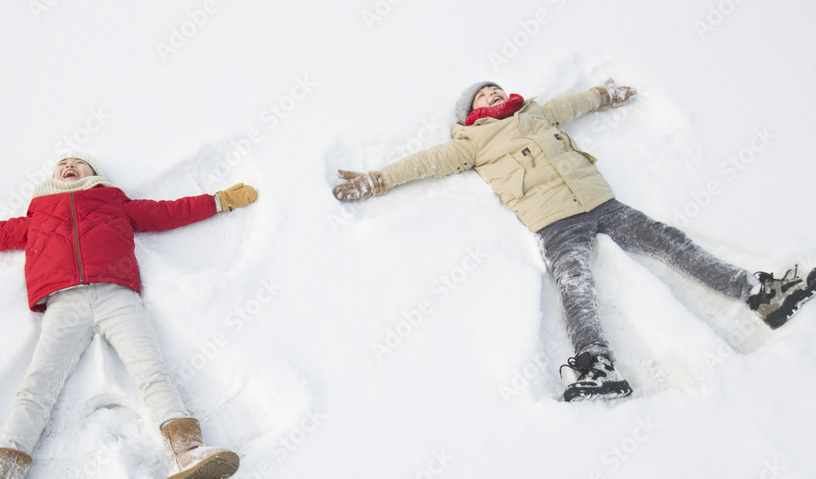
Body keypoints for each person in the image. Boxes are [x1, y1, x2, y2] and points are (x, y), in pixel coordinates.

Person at [332, 80, 816, 402]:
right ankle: (596, 364)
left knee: (671, 243)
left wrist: (605, 93)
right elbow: (424, 162)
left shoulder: (538, 113)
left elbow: (577, 103)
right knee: (575, 286)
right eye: (483, 96)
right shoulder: (471, 142)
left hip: (601, 201)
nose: (494, 93)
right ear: (470, 114)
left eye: (496, 86)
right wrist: (376, 180)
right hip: (554, 220)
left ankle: (760, 292)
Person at [0, 151, 257, 479]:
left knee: (150, 370)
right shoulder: (38, 212)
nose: (69, 166)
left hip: (116, 295)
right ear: (54, 177)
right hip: (63, 304)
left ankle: (187, 451)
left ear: (95, 174)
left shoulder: (112, 201)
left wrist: (219, 201)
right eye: (62, 164)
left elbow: (167, 212)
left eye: (79, 163)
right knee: (36, 388)